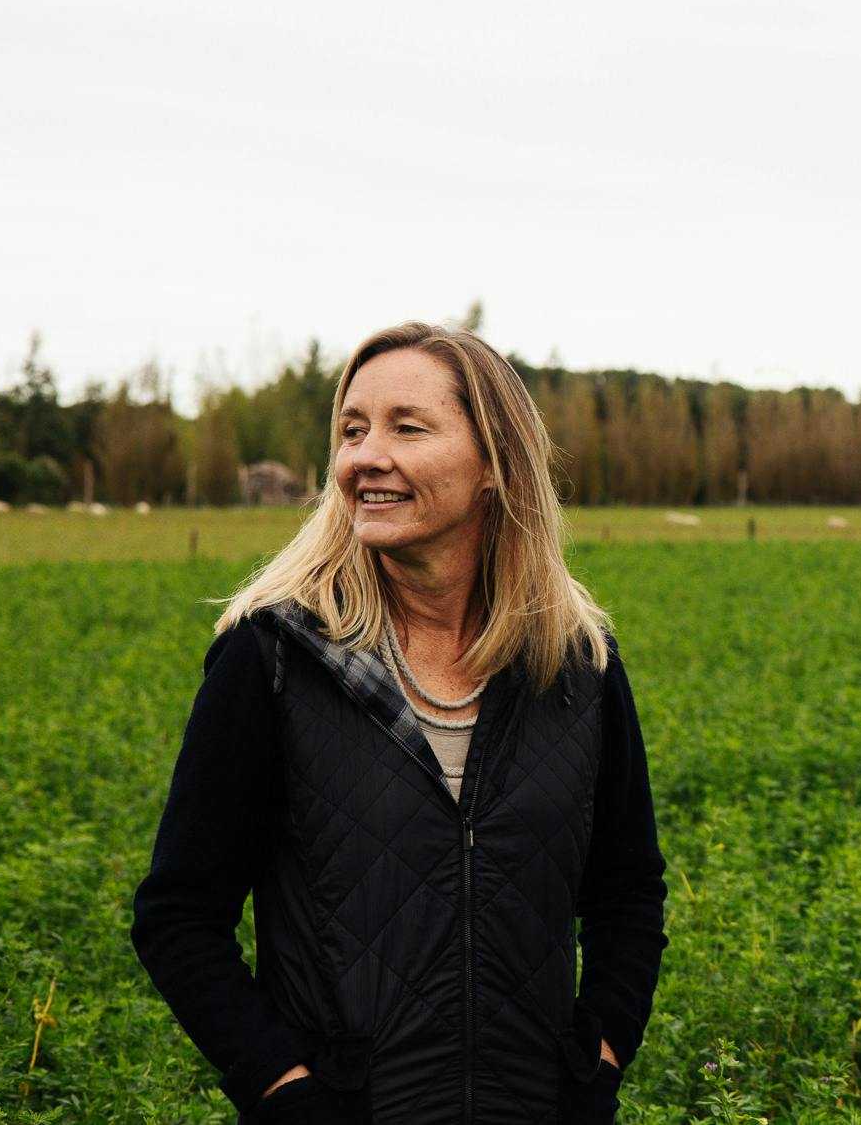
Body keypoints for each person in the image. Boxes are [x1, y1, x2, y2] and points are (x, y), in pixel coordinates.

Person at [132, 322, 669, 1124]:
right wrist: (285, 1088)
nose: (363, 456)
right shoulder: (273, 658)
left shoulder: (577, 663)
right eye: (352, 430)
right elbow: (178, 917)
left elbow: (629, 893)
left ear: (495, 463)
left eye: (406, 427)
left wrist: (597, 1062)